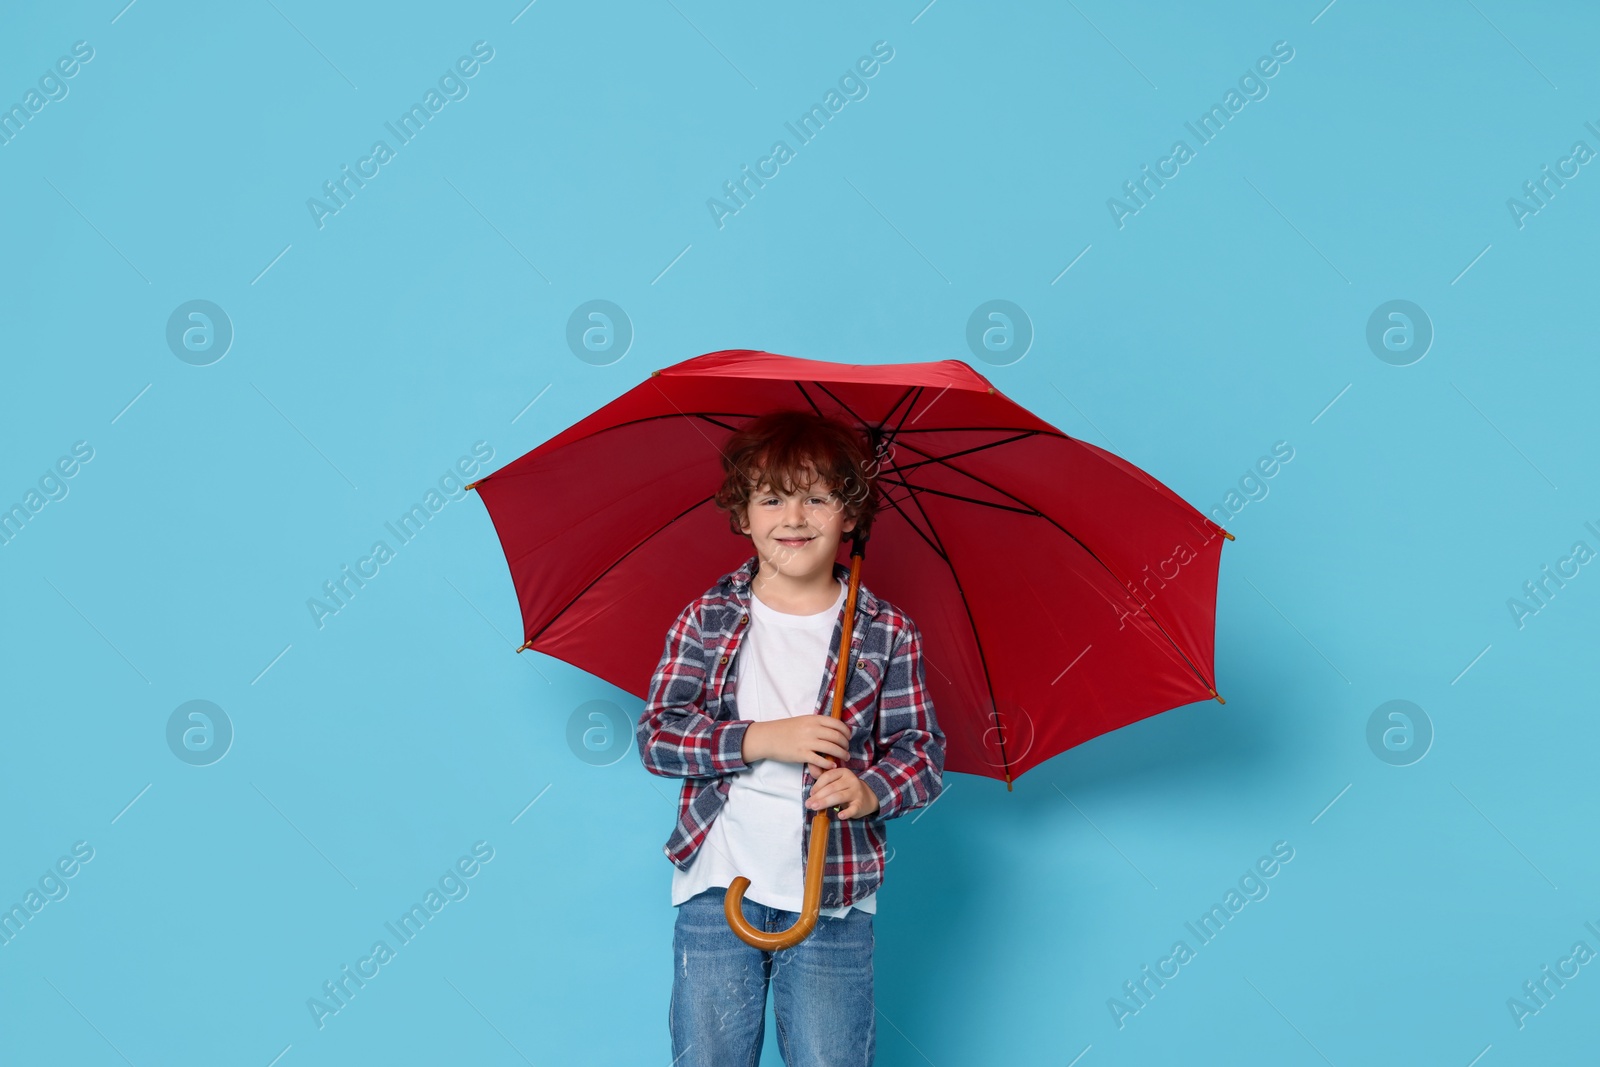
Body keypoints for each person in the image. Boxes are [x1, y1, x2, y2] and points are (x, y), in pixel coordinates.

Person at [635, 408, 945, 1066]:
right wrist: (764, 737)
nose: (794, 517)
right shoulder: (709, 616)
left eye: (818, 497)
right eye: (771, 498)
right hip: (722, 884)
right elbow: (658, 736)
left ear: (851, 516)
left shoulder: (887, 632)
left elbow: (922, 753)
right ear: (743, 515)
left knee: (830, 1057)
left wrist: (868, 788)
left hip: (831, 890)